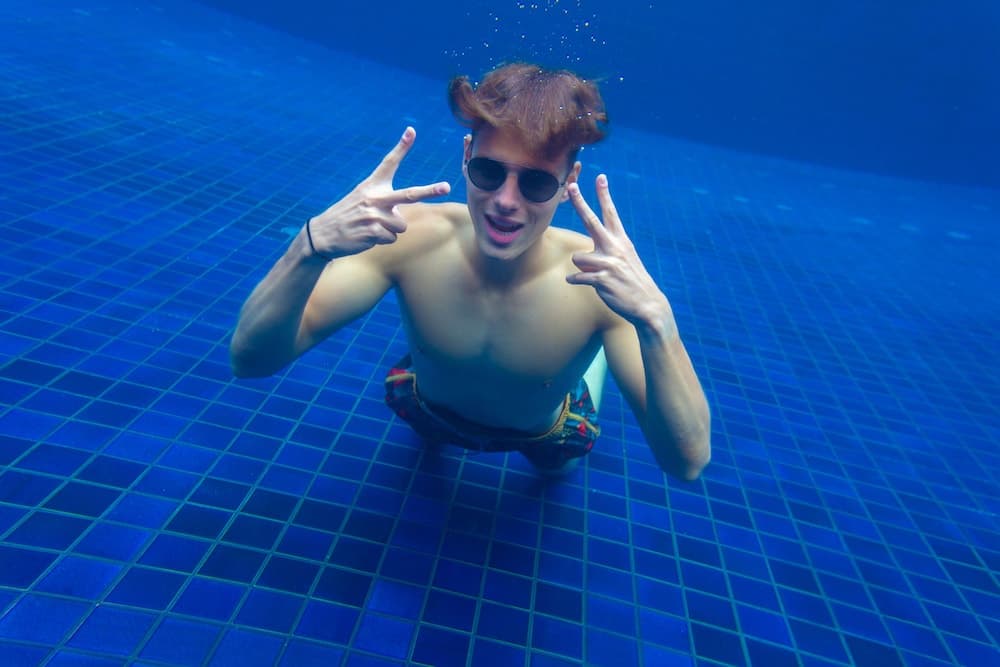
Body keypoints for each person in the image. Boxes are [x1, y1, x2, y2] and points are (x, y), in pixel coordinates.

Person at [230, 63, 711, 480]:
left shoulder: (597, 278)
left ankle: (592, 365)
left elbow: (686, 464)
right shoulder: (409, 236)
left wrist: (658, 321)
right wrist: (309, 246)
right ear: (465, 157)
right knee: (425, 440)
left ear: (569, 182)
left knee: (557, 472)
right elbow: (250, 362)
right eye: (488, 172)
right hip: (426, 407)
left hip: (546, 429)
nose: (505, 202)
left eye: (536, 183)